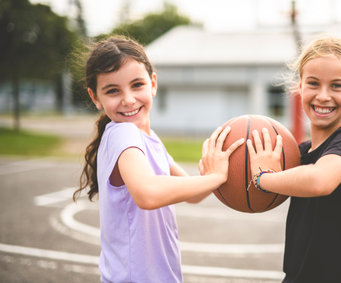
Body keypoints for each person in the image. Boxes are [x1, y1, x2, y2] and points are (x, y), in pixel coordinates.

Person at [72, 36, 244, 283]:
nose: (129, 99)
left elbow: (193, 195)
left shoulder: (150, 138)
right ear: (95, 97)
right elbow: (148, 194)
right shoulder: (123, 133)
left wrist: (219, 170)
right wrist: (216, 176)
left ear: (153, 83)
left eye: (137, 85)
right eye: (112, 91)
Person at [246, 36, 341, 282]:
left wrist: (262, 178)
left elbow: (319, 181)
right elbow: (256, 189)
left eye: (336, 86)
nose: (323, 96)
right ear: (300, 86)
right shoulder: (301, 152)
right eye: (313, 83)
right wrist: (220, 172)